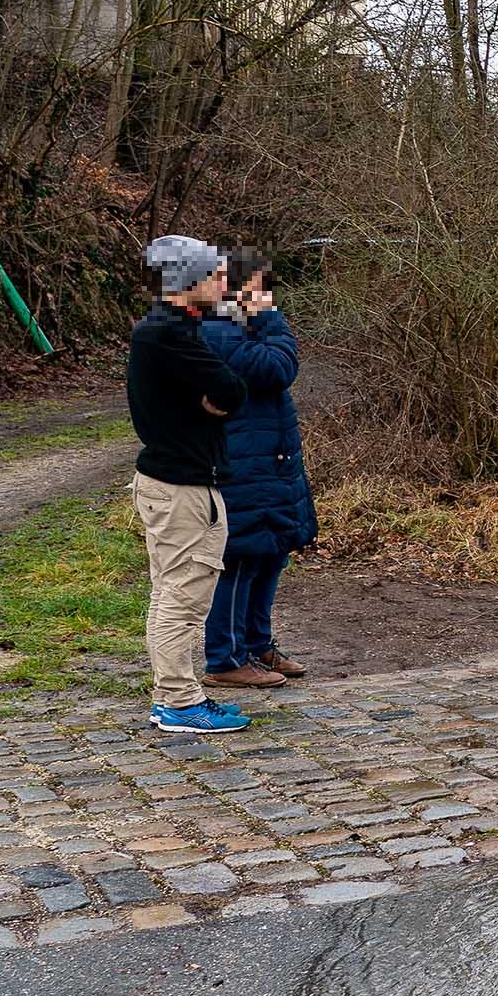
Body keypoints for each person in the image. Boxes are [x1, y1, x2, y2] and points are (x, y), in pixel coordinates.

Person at [126, 236, 250, 733]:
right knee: (182, 596)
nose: (224, 282)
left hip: (176, 481)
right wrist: (217, 397)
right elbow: (233, 389)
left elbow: (224, 391)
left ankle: (173, 696)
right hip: (180, 488)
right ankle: (179, 702)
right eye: (215, 274)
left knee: (171, 592)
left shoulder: (175, 329)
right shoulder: (167, 333)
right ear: (187, 281)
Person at [200, 246, 318, 693]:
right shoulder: (219, 331)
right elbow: (279, 365)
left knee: (270, 553)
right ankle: (226, 658)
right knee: (239, 559)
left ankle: (256, 644)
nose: (265, 296)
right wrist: (269, 318)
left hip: (269, 463)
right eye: (258, 287)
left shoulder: (239, 327)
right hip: (242, 464)